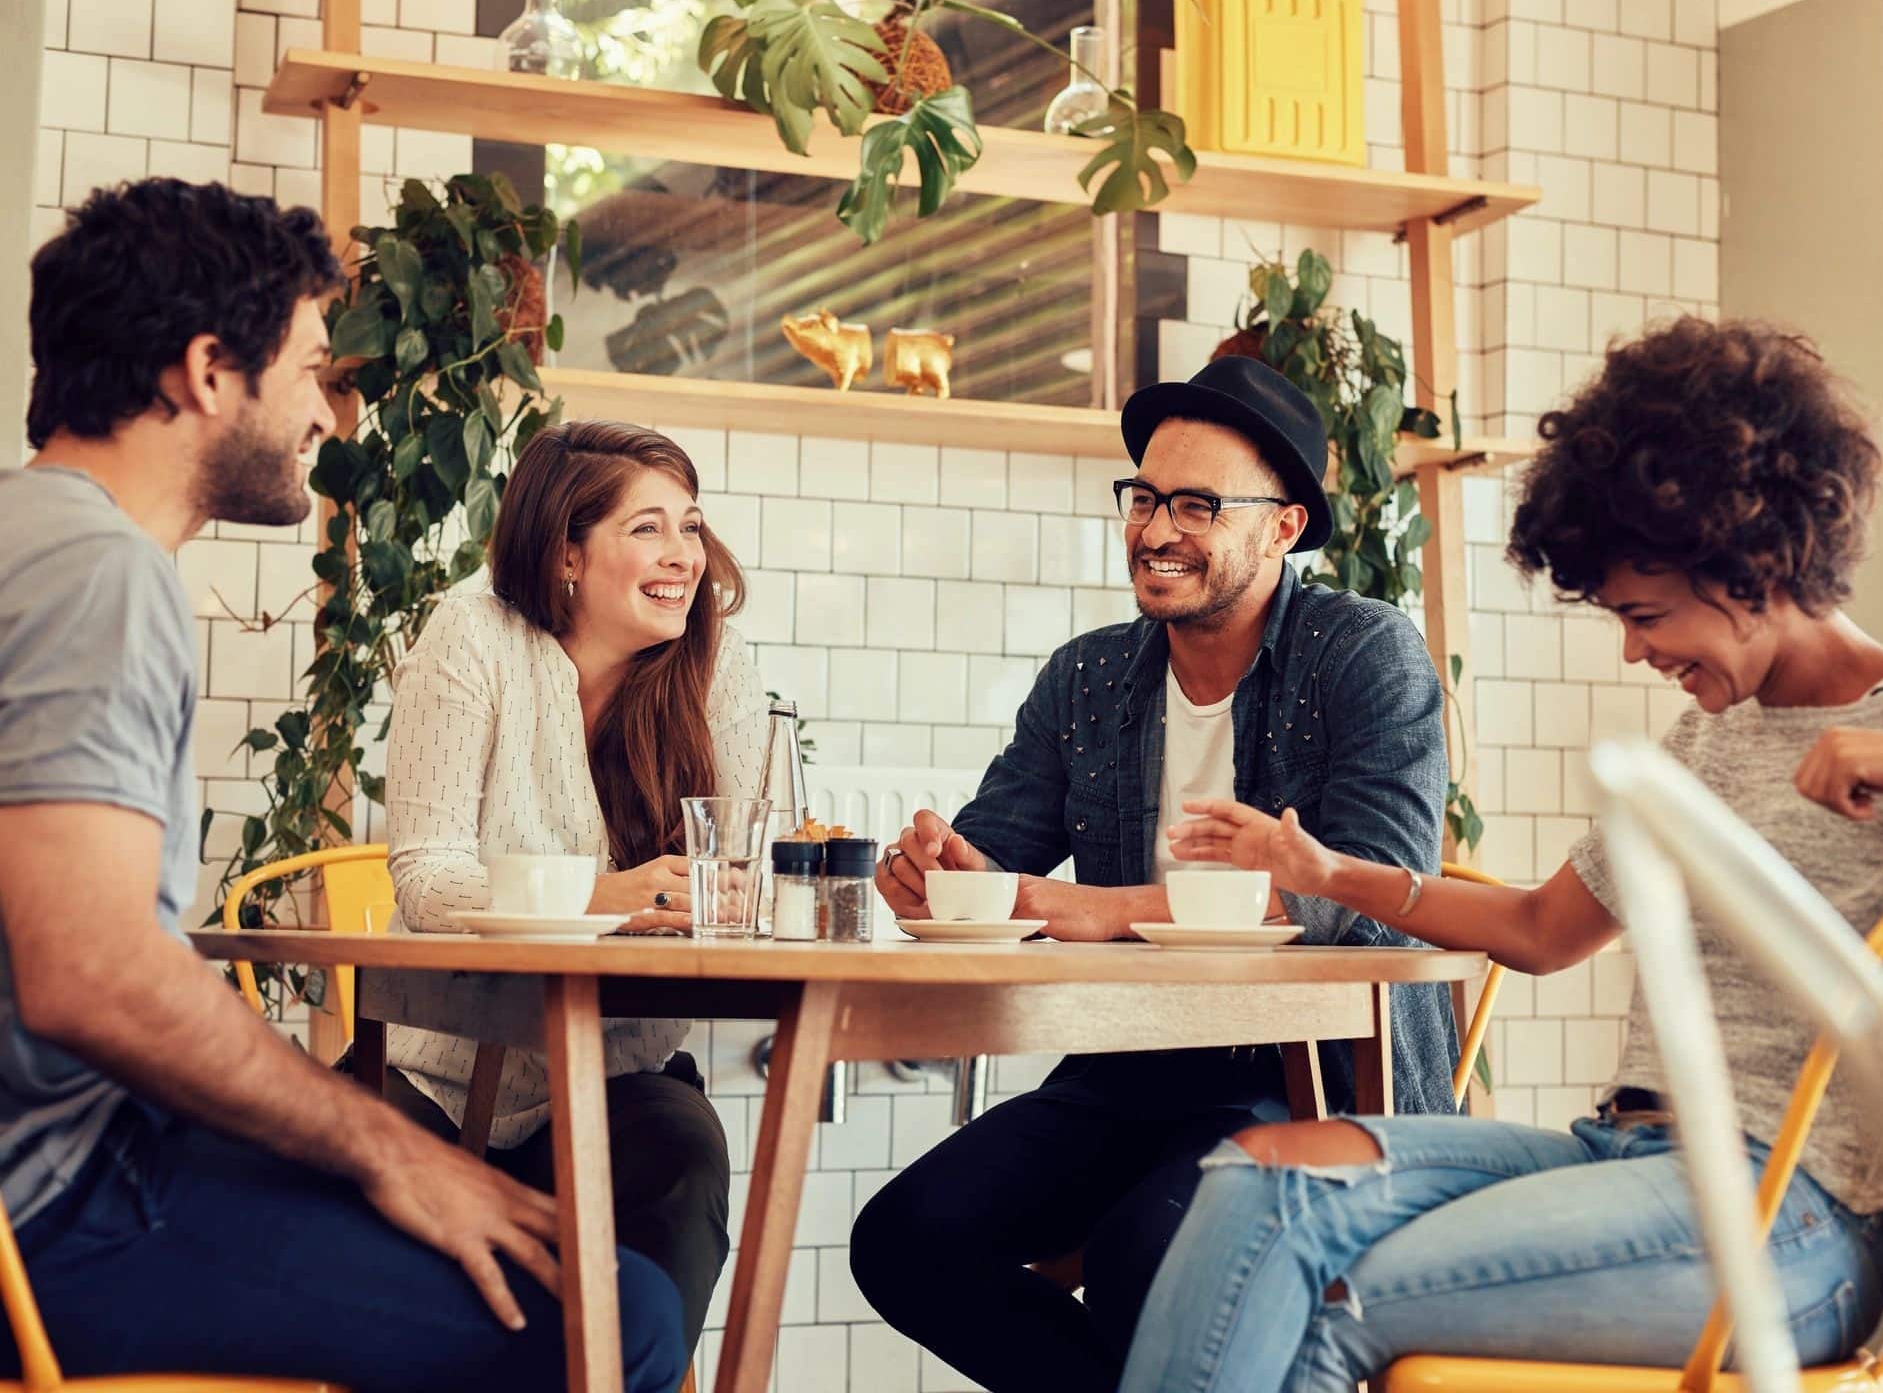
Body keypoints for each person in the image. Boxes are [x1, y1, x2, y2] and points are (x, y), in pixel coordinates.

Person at [1115, 317, 1883, 1393]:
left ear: (1755, 568)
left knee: (1343, 1290)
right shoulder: (1712, 732)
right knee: (1254, 1187)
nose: (1635, 649)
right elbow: (1539, 931)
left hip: (1793, 1221)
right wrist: (1329, 874)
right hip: (1624, 1154)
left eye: (1647, 615)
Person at [0, 178, 684, 1391]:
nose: (330, 414)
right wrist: (388, 1149)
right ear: (210, 370)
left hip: (77, 1159)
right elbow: (92, 977)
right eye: (313, 370)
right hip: (56, 1203)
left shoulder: (33, 540)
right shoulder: (100, 579)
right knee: (609, 1313)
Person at [850, 355, 1458, 1393]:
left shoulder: (1365, 655)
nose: (1156, 528)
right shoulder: (1089, 675)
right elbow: (999, 849)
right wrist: (940, 874)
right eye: (1144, 497)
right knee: (906, 1239)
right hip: (1127, 1064)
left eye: (1198, 504)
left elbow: (1365, 886)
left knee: (1150, 1253)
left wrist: (1098, 911)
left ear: (1284, 528)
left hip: (1310, 1076)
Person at [377, 419, 761, 1357]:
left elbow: (740, 878)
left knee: (683, 1157)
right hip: (442, 1071)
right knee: (396, 1261)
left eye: (692, 525)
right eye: (648, 529)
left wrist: (742, 900)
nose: (684, 557)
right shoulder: (473, 635)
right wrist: (613, 895)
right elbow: (428, 877)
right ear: (566, 554)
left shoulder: (721, 669)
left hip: (616, 1072)